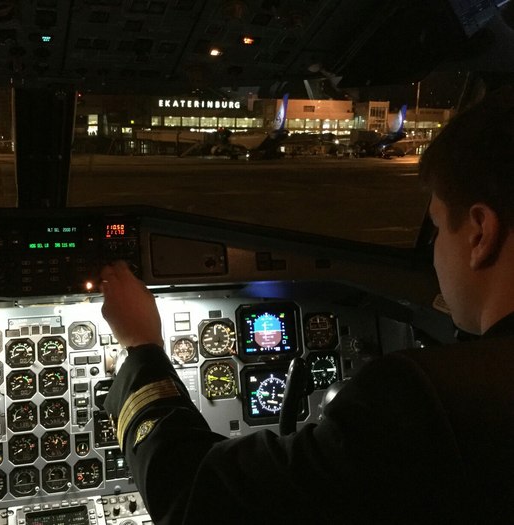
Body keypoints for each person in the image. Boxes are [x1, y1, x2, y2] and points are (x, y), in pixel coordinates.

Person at [100, 86, 514, 524]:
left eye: (437, 229)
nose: (433, 253)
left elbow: (194, 497)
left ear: (479, 233)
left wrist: (141, 348)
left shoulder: (423, 400)